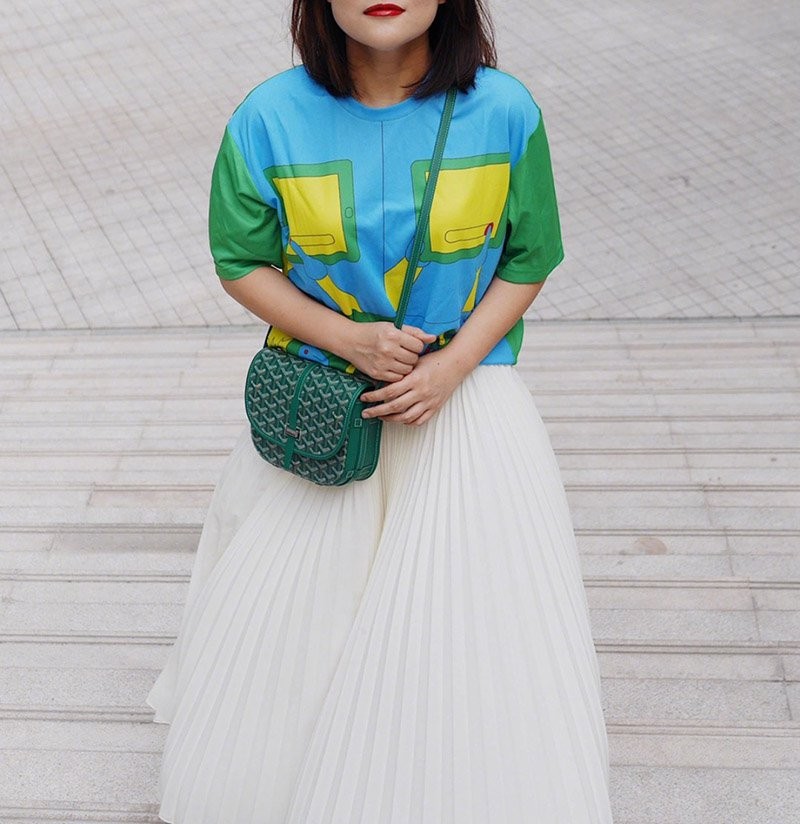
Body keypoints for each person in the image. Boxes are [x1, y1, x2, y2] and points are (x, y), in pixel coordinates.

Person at [145, 0, 615, 821]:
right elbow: (239, 259)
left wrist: (454, 367)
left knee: (464, 632)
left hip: (467, 414)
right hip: (326, 418)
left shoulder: (504, 110)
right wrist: (347, 338)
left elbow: (532, 255)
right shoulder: (268, 116)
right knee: (293, 632)